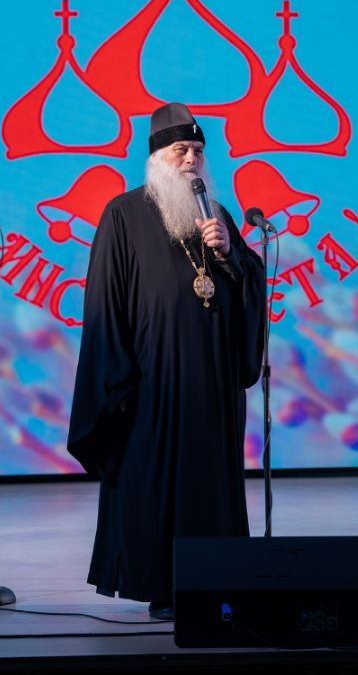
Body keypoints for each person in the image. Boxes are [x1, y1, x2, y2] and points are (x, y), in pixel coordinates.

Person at [67, 102, 266, 619]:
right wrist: (117, 382)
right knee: (157, 484)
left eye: (198, 151)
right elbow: (105, 303)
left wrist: (230, 256)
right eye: (181, 150)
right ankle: (162, 585)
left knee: (210, 485)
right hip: (151, 382)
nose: (191, 159)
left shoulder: (216, 216)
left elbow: (246, 282)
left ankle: (215, 580)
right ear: (157, 157)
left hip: (213, 383)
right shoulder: (123, 214)